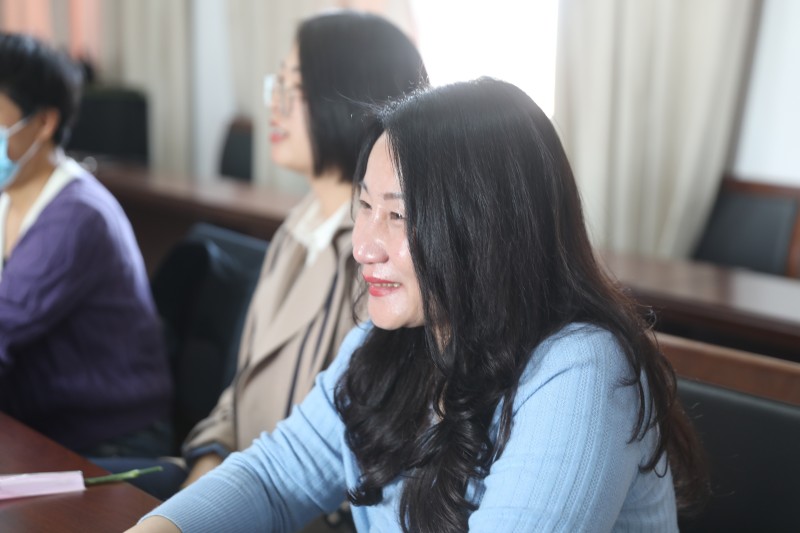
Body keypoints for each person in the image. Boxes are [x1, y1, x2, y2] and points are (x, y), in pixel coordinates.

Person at [128, 78, 708, 533]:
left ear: (488, 230)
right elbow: (275, 478)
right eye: (364, 206)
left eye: (398, 215)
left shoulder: (582, 370)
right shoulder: (394, 338)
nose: (363, 246)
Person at [179, 10, 428, 493]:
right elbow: (242, 388)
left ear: (351, 94)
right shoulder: (298, 227)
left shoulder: (381, 257)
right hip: (237, 481)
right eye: (278, 86)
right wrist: (208, 463)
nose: (276, 106)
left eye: (296, 89)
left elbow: (348, 451)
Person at [0, 33, 172, 456]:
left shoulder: (75, 216)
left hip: (111, 440)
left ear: (44, 123)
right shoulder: (10, 196)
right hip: (44, 425)